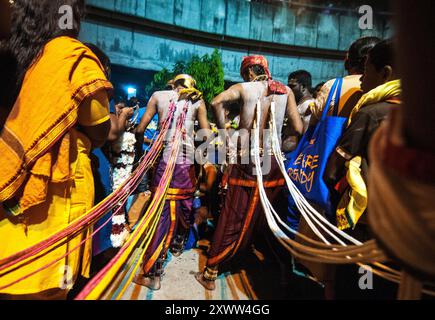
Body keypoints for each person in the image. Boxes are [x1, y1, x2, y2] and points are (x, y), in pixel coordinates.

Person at [0, 0, 113, 299]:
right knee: (45, 288)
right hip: (49, 206)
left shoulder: (10, 52)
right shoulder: (69, 56)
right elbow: (101, 126)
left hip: (7, 195)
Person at [195, 55, 303, 291]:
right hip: (273, 161)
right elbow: (298, 127)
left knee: (234, 211)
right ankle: (284, 271)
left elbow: (215, 102)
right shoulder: (286, 91)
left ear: (249, 73)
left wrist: (224, 133)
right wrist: (279, 141)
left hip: (247, 159)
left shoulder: (244, 87)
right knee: (270, 216)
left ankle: (211, 272)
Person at [133, 74, 210, 290]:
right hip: (186, 166)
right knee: (185, 205)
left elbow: (140, 130)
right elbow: (207, 137)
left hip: (162, 163)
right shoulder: (198, 101)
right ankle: (178, 243)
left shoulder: (158, 96)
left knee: (161, 213)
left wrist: (140, 153)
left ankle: (152, 273)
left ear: (172, 84)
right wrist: (201, 162)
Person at [325, 39, 401, 230]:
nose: (361, 79)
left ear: (385, 74)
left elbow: (333, 170)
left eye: (366, 71)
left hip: (368, 219)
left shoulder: (370, 114)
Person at [310, 36, 381, 123]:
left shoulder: (334, 85)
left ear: (348, 61)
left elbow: (314, 120)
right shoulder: (386, 87)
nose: (361, 80)